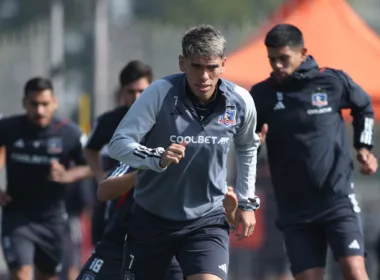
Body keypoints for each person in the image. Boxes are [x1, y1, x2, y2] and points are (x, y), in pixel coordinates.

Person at [108, 24, 260, 280]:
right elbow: (119, 144)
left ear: (223, 64)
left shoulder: (241, 101)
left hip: (206, 218)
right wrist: (157, 157)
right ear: (182, 63)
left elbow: (246, 146)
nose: (204, 77)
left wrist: (246, 203)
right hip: (152, 218)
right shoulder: (158, 93)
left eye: (211, 67)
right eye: (196, 66)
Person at [250, 24, 378, 280]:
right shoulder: (262, 94)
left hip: (337, 200)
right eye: (272, 60)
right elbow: (245, 139)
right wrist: (254, 141)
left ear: (303, 53)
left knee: (354, 271)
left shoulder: (331, 81)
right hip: (294, 209)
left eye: (283, 59)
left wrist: (363, 148)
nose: (277, 66)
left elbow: (363, 106)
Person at [0, 77, 92, 280]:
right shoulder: (8, 128)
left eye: (45, 104)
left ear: (54, 103)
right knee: (21, 274)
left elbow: (91, 166)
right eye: (34, 104)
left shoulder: (70, 133)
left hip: (53, 220)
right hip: (17, 217)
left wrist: (68, 175)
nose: (39, 111)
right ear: (24, 103)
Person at [84, 60, 153, 245]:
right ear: (121, 92)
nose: (137, 98)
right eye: (131, 92)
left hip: (153, 200)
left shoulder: (164, 119)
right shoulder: (108, 121)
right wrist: (99, 175)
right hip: (117, 201)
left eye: (142, 91)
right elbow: (90, 149)